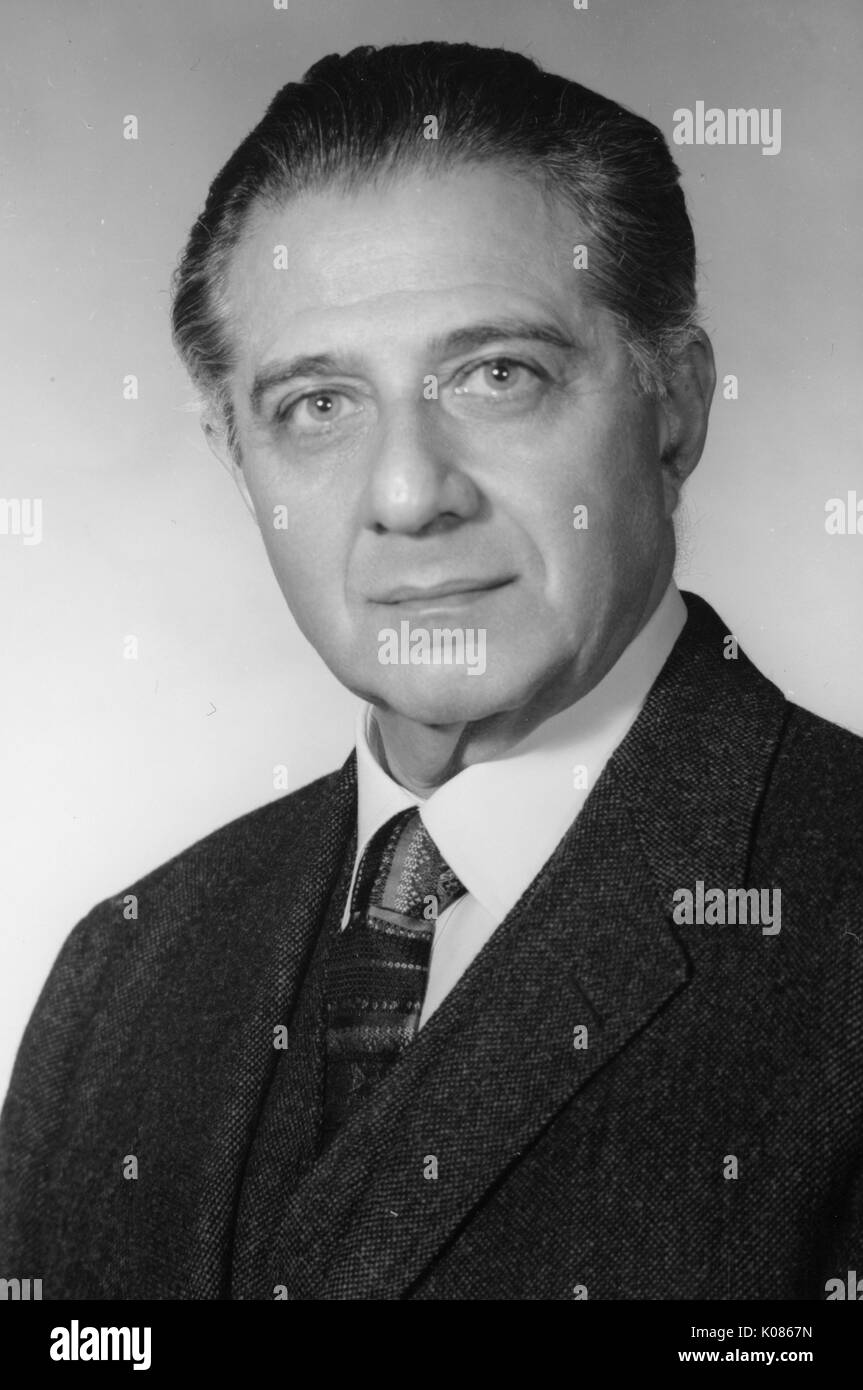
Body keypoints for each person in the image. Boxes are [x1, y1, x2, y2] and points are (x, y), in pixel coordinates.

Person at [1, 41, 861, 1302]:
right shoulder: (117, 972)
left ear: (674, 404)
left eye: (495, 375)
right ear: (233, 451)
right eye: (317, 405)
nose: (407, 494)